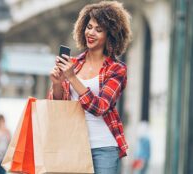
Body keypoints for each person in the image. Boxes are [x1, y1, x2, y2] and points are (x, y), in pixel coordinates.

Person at [48, 1, 132, 173]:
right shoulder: (74, 64)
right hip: (71, 143)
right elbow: (58, 106)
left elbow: (100, 107)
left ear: (110, 35)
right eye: (89, 27)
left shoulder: (116, 69)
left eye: (99, 30)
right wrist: (57, 83)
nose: (91, 33)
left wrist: (72, 78)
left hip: (103, 148)